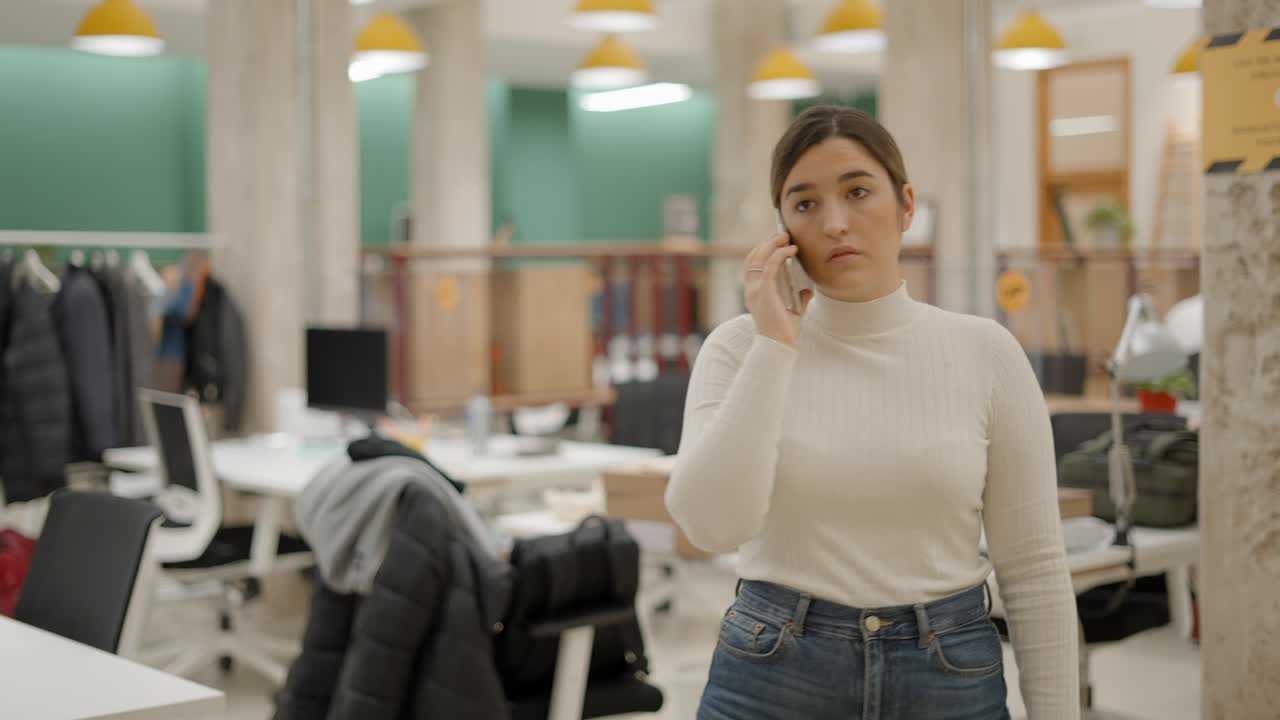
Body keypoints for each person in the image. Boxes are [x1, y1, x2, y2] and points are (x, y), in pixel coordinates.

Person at [666, 105, 1078, 720]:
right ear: (781, 231)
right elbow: (710, 526)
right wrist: (775, 343)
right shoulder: (737, 349)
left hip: (947, 673)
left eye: (858, 191)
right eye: (804, 204)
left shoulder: (985, 352)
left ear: (906, 206)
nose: (835, 223)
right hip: (773, 670)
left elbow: (1036, 568)